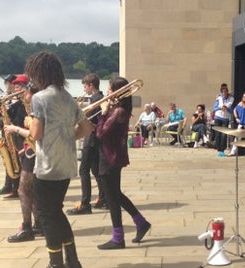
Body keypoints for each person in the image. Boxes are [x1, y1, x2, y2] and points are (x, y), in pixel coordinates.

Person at [26, 51, 92, 268]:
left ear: (40, 73)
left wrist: (27, 122)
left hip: (47, 165)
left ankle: (56, 262)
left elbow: (36, 134)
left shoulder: (39, 98)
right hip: (66, 164)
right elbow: (86, 127)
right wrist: (67, 137)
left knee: (46, 215)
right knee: (55, 210)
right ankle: (72, 260)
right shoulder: (67, 97)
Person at [96, 76, 151, 250]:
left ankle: (118, 238)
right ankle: (140, 222)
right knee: (115, 195)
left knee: (112, 198)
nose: (107, 92)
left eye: (110, 90)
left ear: (118, 92)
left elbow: (101, 133)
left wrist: (103, 113)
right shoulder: (117, 108)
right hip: (111, 155)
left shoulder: (117, 111)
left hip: (110, 157)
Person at [3, 82, 41, 242]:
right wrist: (25, 148)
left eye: (27, 93)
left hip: (36, 153)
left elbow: (35, 134)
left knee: (24, 190)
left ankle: (27, 227)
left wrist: (15, 129)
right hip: (31, 150)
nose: (25, 96)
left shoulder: (39, 106)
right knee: (30, 190)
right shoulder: (35, 106)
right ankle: (38, 224)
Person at [67, 73, 108, 215]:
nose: (84, 88)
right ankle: (103, 198)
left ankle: (85, 203)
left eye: (85, 86)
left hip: (91, 138)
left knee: (83, 170)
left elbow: (96, 117)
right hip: (94, 137)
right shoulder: (96, 98)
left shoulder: (98, 99)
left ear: (91, 85)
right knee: (95, 170)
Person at [0, 74, 19, 196]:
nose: (7, 86)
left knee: (15, 160)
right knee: (7, 160)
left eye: (9, 83)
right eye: (6, 84)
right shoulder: (7, 98)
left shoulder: (19, 98)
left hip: (15, 131)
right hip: (6, 130)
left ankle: (16, 187)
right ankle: (8, 185)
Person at [212, 83, 234, 156]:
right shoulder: (219, 98)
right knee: (218, 134)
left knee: (224, 134)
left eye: (225, 91)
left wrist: (227, 108)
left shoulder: (231, 99)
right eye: (223, 92)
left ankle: (222, 149)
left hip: (225, 118)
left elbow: (232, 110)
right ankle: (218, 149)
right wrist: (220, 108)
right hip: (218, 117)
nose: (224, 93)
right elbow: (214, 108)